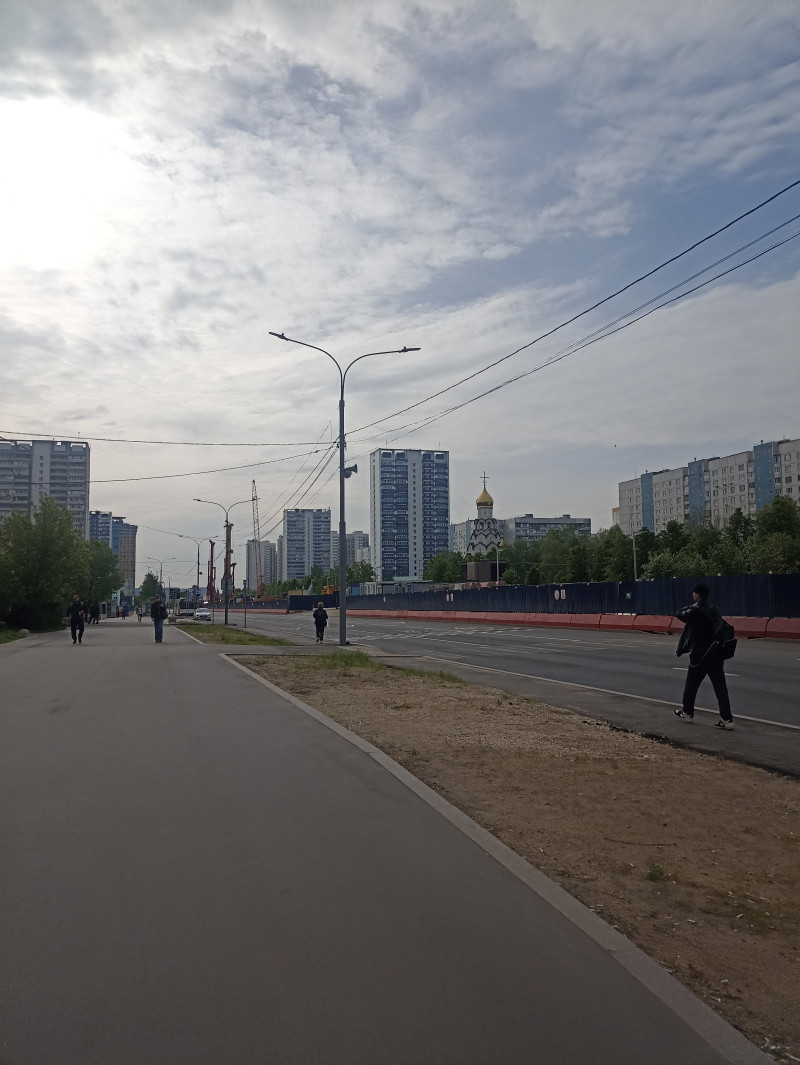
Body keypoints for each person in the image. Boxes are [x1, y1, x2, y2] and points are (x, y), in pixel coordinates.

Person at [673, 582, 734, 729]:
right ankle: (727, 719)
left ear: (698, 595)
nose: (692, 595)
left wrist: (692, 606)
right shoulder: (714, 608)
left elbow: (679, 613)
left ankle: (687, 713)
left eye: (693, 593)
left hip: (700, 654)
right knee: (720, 687)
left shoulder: (695, 610)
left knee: (691, 685)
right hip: (715, 652)